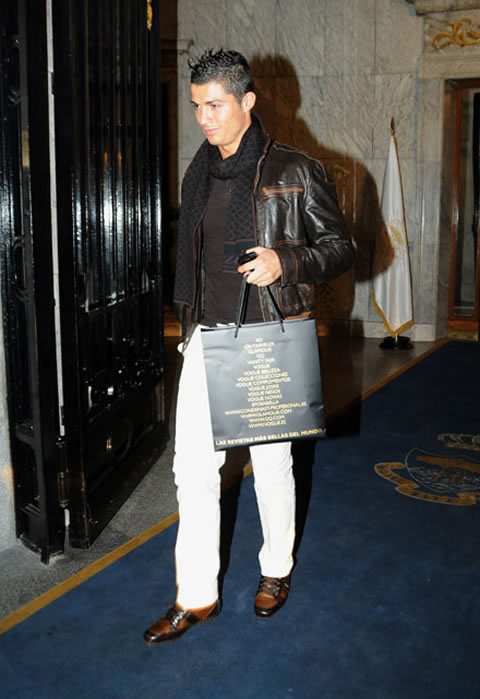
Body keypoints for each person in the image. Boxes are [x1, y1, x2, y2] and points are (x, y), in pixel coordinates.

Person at [144, 48, 355, 644]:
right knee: (193, 471)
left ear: (248, 102)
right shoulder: (200, 170)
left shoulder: (296, 168)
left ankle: (275, 569)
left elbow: (342, 249)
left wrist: (284, 260)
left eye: (215, 105)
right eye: (197, 107)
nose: (204, 119)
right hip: (206, 338)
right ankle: (196, 595)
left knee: (269, 467)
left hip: (265, 339)